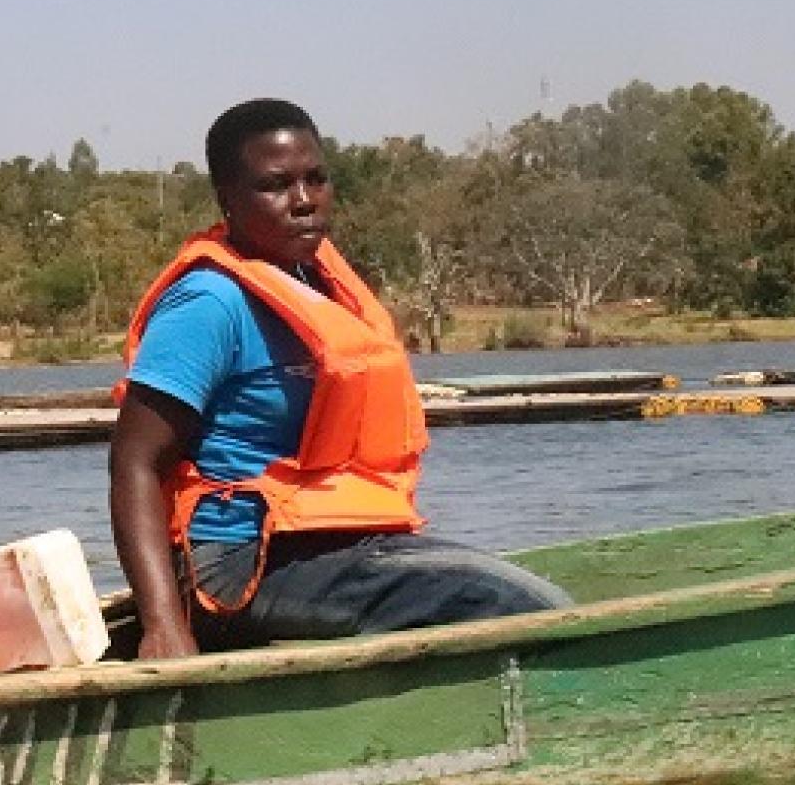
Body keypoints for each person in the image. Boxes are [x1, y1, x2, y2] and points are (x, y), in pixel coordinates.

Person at [109, 99, 571, 661]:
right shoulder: (209, 302)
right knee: (502, 601)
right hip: (236, 564)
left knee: (523, 592)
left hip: (330, 544)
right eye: (275, 186)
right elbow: (135, 461)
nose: (303, 201)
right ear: (227, 198)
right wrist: (164, 626)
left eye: (316, 179)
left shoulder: (318, 281)